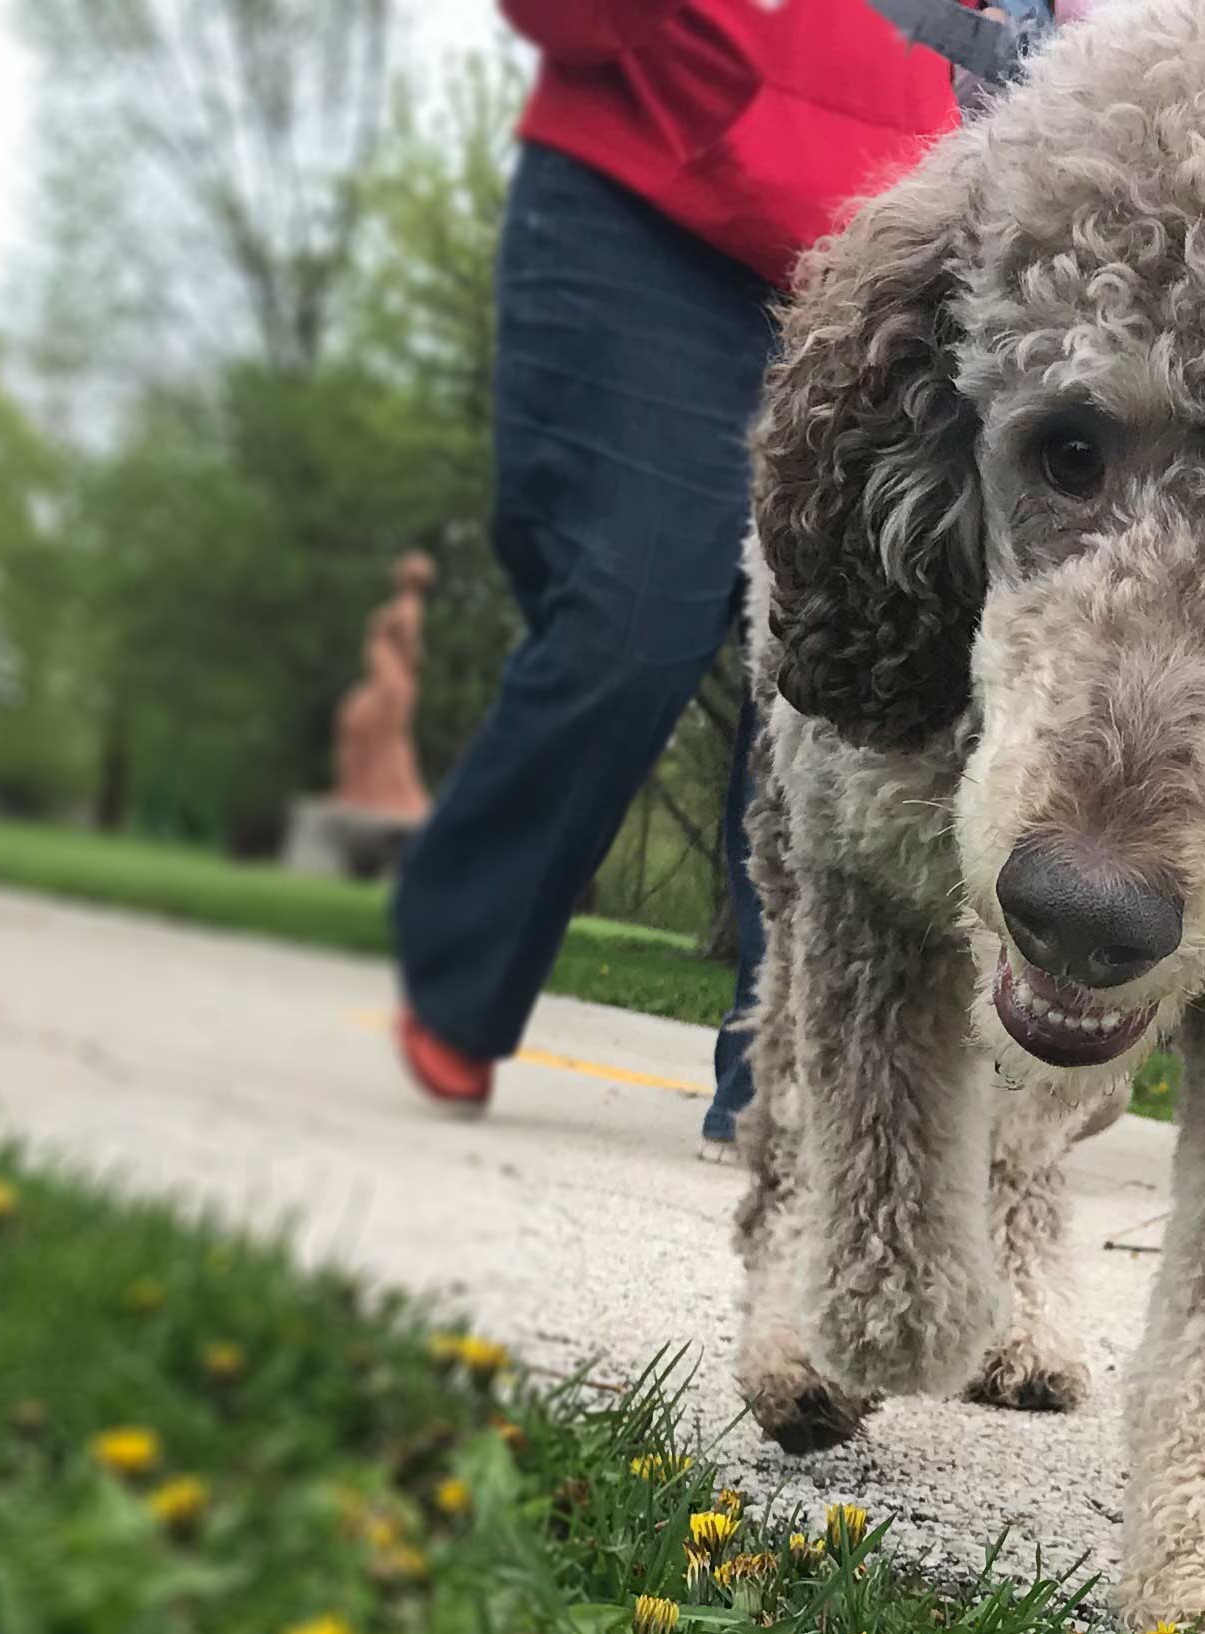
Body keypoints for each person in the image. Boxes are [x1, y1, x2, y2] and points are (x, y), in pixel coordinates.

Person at [388, 3, 957, 1144]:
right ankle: (463, 963)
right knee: (632, 610)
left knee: (840, 665)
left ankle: (794, 1079)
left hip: (897, 239)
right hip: (646, 193)